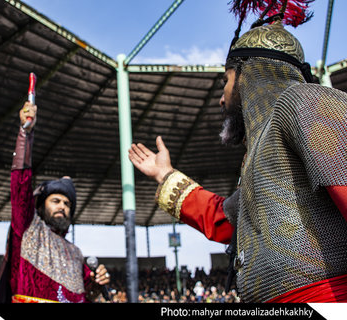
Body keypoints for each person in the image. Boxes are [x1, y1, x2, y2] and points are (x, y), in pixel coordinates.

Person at [128, 5, 347, 303]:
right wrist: (164, 175)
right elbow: (225, 219)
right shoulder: (260, 153)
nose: (221, 98)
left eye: (225, 82)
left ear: (249, 74)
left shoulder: (306, 100)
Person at [0, 101, 110, 303]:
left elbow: (84, 297)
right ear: (40, 206)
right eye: (56, 201)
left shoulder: (76, 253)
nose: (62, 207)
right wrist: (25, 135)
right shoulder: (29, 229)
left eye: (67, 204)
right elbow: (20, 186)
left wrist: (96, 284)